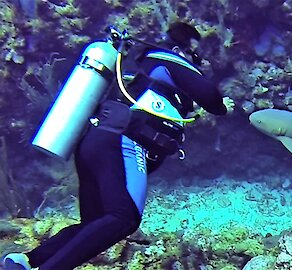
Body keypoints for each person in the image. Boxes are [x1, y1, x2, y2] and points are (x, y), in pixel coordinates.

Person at [2, 22, 234, 270]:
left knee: (96, 222)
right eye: (196, 55)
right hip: (121, 142)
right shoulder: (167, 60)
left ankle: (26, 261)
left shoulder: (142, 68)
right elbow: (209, 95)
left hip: (95, 142)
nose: (198, 63)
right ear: (181, 48)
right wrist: (221, 107)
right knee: (124, 218)